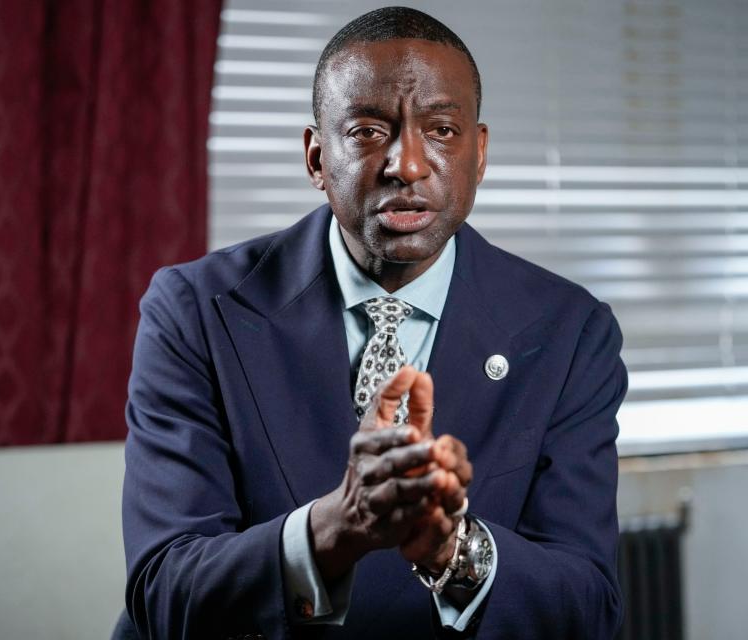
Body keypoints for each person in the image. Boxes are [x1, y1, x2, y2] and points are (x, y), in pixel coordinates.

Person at [122, 6, 627, 639]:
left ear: (480, 152)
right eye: (366, 132)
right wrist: (336, 527)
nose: (408, 165)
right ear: (315, 157)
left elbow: (588, 607)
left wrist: (453, 549)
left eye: (442, 130)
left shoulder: (570, 332)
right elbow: (166, 593)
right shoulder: (193, 311)